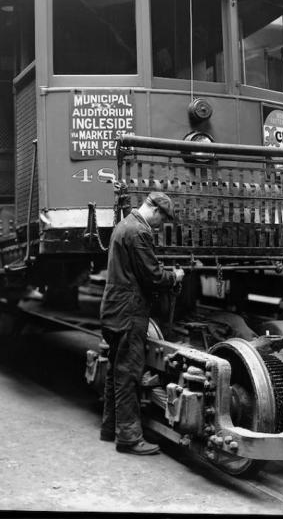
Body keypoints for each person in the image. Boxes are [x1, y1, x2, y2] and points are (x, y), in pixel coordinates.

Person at [100, 191, 185, 455]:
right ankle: (128, 439)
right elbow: (152, 276)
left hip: (114, 309)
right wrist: (175, 275)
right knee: (129, 375)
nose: (161, 225)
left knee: (116, 370)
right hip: (129, 312)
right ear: (156, 211)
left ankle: (110, 427)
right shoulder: (139, 232)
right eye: (163, 219)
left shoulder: (123, 225)